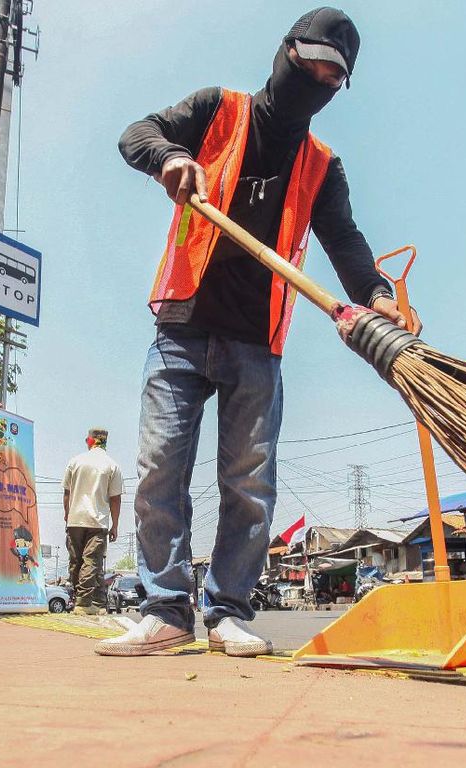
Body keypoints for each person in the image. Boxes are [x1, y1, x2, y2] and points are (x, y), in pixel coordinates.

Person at [96, 7, 417, 657]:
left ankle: (225, 612)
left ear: (338, 87)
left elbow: (347, 243)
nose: (317, 78)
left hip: (256, 341)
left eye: (332, 75)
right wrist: (171, 157)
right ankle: (163, 609)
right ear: (285, 53)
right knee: (161, 468)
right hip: (182, 324)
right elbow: (137, 133)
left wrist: (378, 294)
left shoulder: (320, 164)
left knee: (248, 483)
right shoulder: (219, 109)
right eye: (311, 63)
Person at [63, 428, 123, 615]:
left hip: (75, 519)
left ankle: (92, 602)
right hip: (98, 522)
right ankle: (85, 602)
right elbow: (115, 498)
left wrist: (67, 514)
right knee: (92, 561)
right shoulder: (112, 465)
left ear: (89, 441)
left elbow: (67, 493)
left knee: (76, 562)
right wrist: (115, 524)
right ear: (105, 442)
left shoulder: (75, 462)